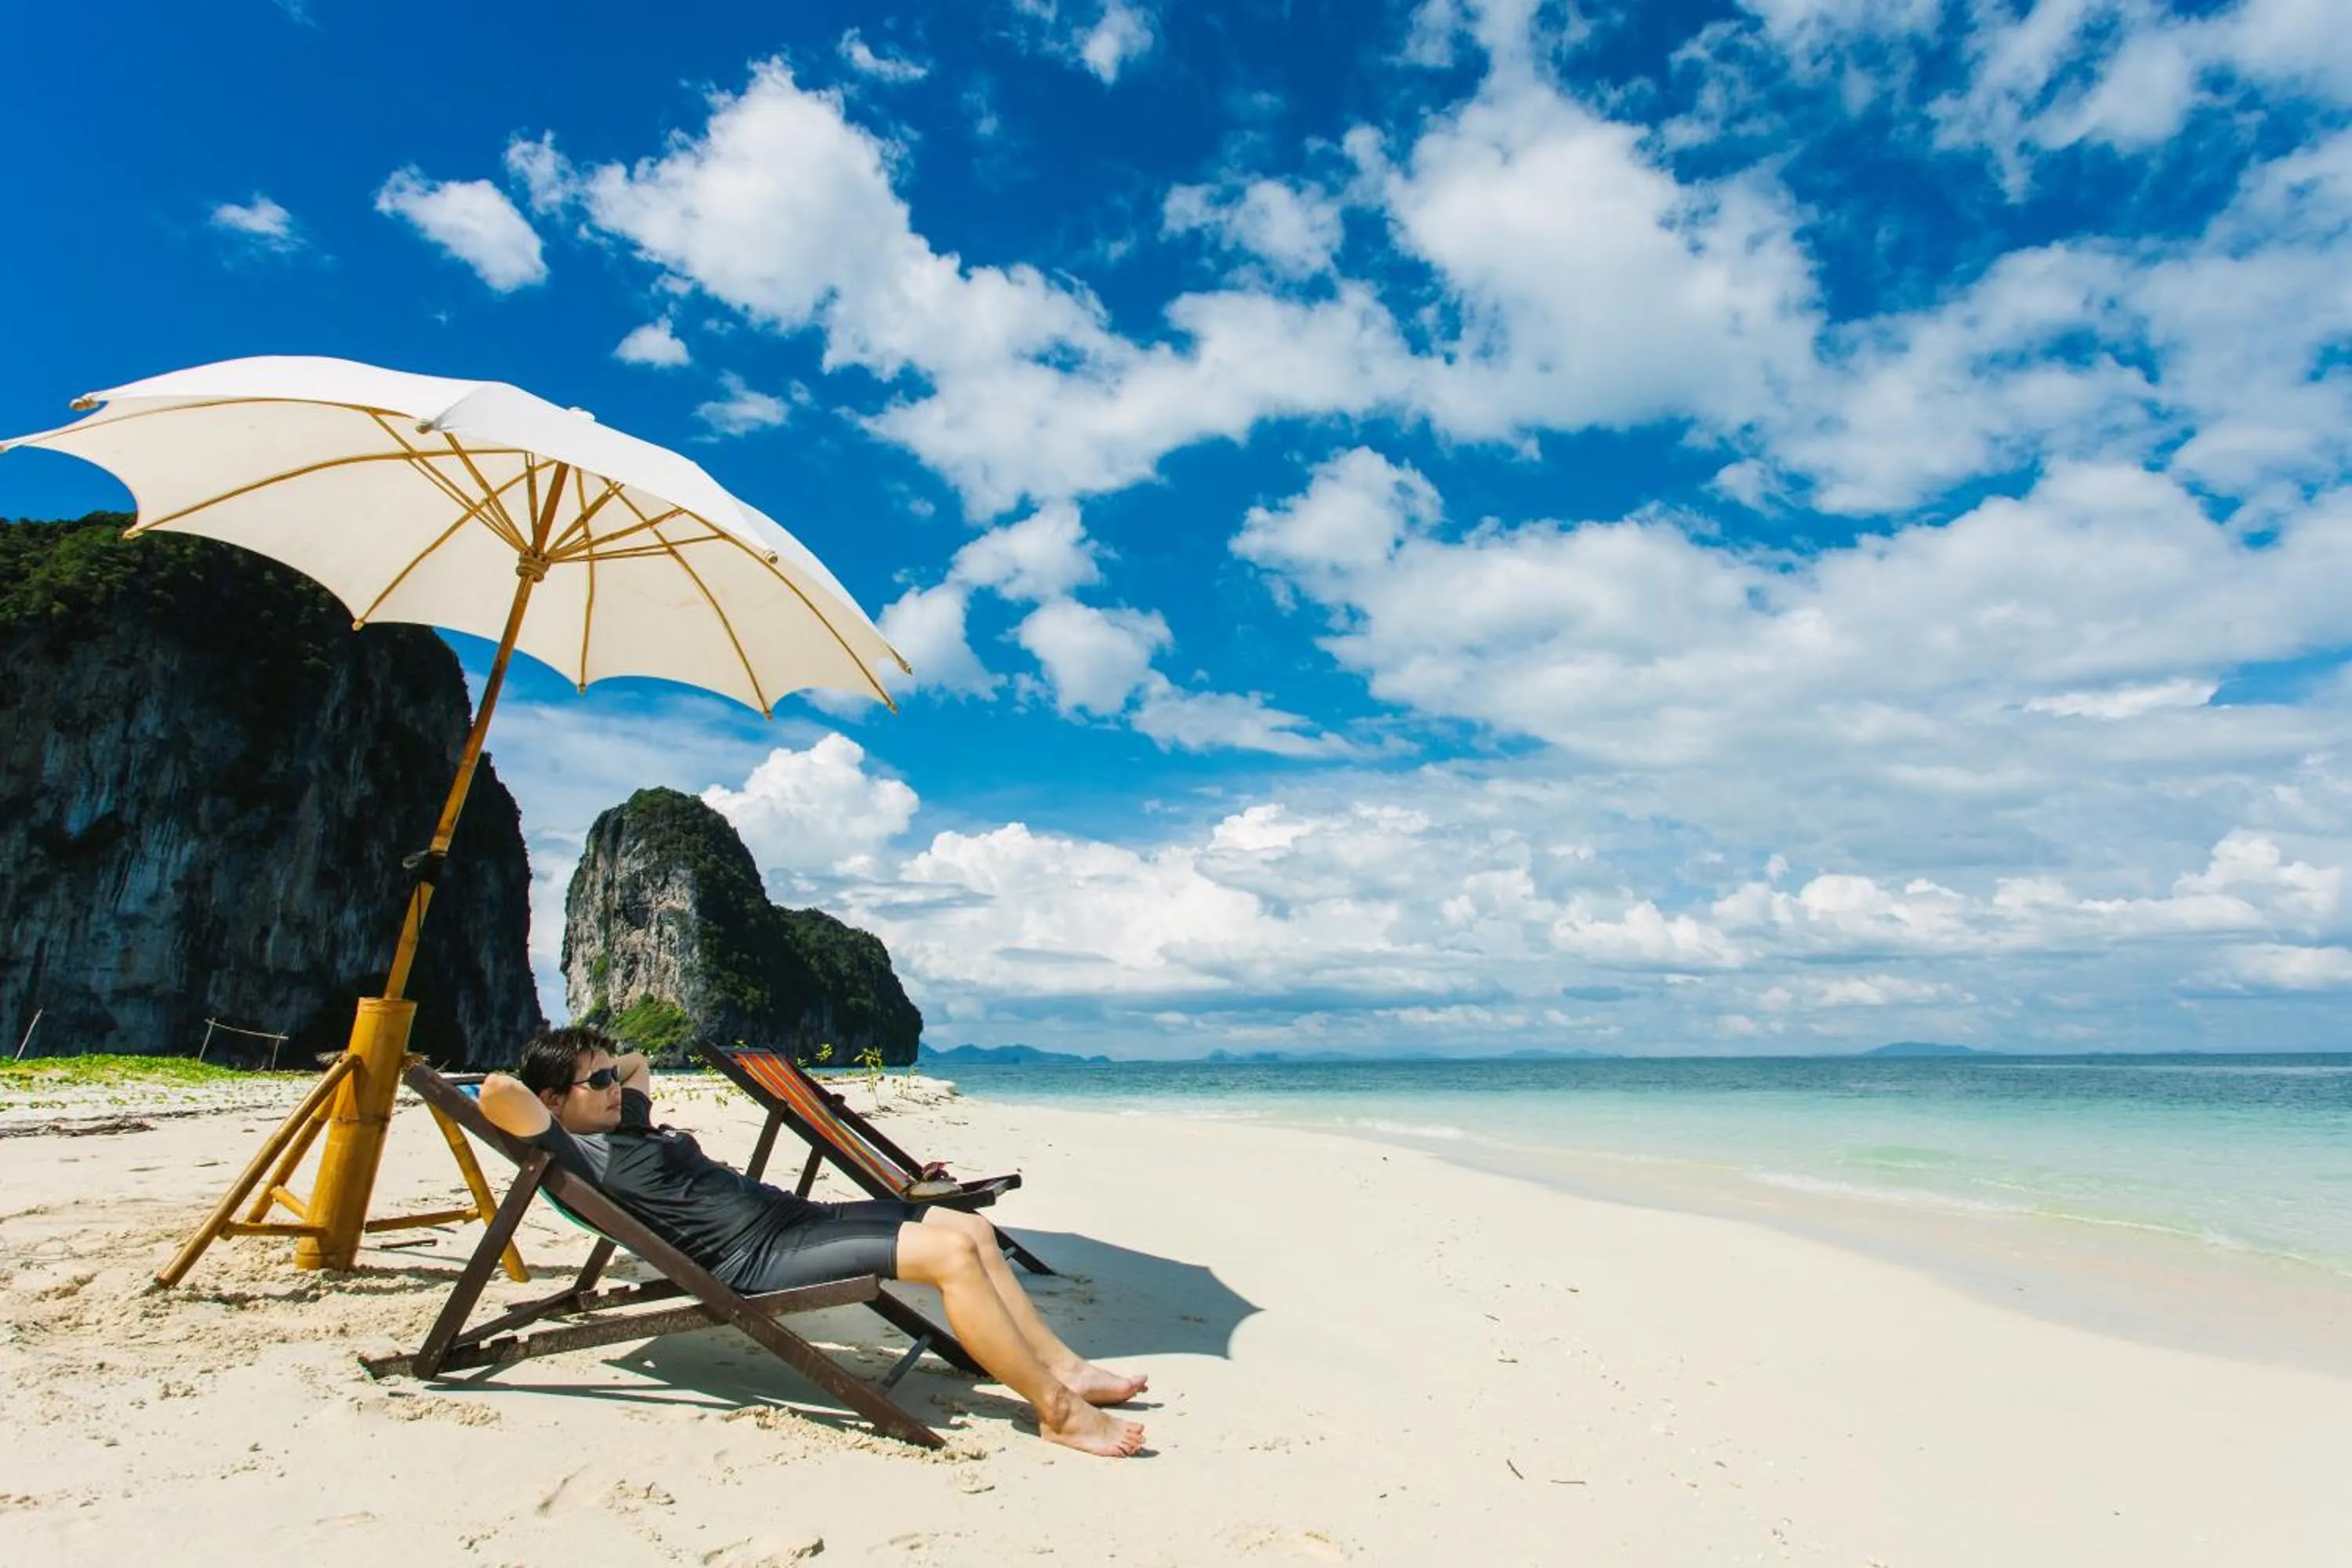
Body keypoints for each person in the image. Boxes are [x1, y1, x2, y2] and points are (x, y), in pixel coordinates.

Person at [478, 1025, 1147, 1457]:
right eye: (595, 1083)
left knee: (971, 1227)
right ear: (553, 1100)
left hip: (794, 1217)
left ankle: (1064, 1367)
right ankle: (1056, 1411)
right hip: (754, 1257)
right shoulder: (575, 1151)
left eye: (607, 1080)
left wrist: (597, 1066)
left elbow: (640, 1062)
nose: (613, 1088)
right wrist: (562, 1086)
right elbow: (499, 1093)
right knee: (949, 1258)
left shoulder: (625, 1118)